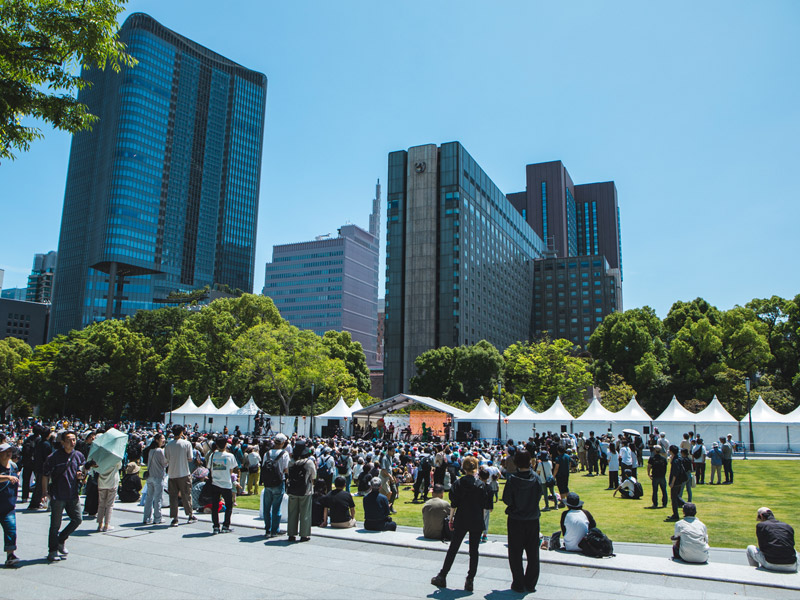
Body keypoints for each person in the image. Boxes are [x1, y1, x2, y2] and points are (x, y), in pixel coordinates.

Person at [431, 456, 487, 592]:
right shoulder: (481, 485)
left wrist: (451, 519)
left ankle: (443, 575)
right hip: (476, 519)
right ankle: (470, 580)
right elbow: (484, 506)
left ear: (464, 468)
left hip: (462, 518)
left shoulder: (458, 483)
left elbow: (454, 505)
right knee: (474, 551)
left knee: (453, 548)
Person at [41, 430, 86, 562]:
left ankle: (61, 539)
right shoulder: (54, 457)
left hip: (73, 494)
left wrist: (81, 476)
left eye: (74, 440)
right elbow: (45, 475)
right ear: (62, 442)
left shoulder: (78, 455)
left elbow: (83, 473)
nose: (72, 442)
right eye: (69, 440)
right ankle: (52, 550)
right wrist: (44, 492)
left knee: (77, 519)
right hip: (58, 494)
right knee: (55, 525)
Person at [502, 449, 542, 594]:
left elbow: (506, 499)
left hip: (516, 519)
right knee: (533, 553)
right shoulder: (536, 478)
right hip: (532, 518)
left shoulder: (512, 480)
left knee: (515, 553)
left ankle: (518, 583)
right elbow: (538, 495)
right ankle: (530, 583)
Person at [746, 507, 798, 572]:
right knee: (794, 550)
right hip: (792, 566)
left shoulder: (761, 526)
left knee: (749, 548)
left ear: (761, 516)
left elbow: (762, 547)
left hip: (771, 564)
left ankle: (755, 573)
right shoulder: (788, 526)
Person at [164, 425, 196, 527]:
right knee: (186, 495)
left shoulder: (168, 445)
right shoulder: (187, 444)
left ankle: (175, 518)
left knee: (173, 497)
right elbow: (190, 458)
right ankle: (190, 515)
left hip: (172, 473)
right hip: (184, 473)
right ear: (181, 432)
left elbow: (166, 459)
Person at [286, 440, 316, 542]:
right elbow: (314, 476)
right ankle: (304, 534)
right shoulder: (308, 462)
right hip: (305, 490)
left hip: (292, 489)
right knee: (305, 513)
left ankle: (291, 534)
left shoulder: (291, 462)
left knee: (292, 513)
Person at [207, 436, 238, 534]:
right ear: (226, 445)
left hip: (215, 483)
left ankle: (216, 526)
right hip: (226, 483)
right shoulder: (230, 456)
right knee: (229, 505)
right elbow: (232, 470)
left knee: (215, 506)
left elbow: (209, 468)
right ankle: (226, 525)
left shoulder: (213, 455)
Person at [261, 433, 290, 538]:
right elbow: (286, 469)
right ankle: (274, 530)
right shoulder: (284, 454)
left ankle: (267, 529)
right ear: (283, 443)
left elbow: (263, 466)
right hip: (279, 481)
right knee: (276, 507)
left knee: (267, 507)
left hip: (268, 482)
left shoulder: (267, 453)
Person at [0, 442, 20, 567]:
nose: (8, 454)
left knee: (11, 529)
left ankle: (10, 555)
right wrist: (7, 477)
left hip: (8, 505)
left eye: (10, 451)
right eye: (5, 452)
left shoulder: (13, 466)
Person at [92, 455, 122, 532]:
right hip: (112, 482)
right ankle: (106, 524)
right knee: (110, 505)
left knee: (101, 504)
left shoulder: (101, 457)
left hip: (102, 482)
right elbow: (119, 466)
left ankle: (100, 524)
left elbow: (96, 468)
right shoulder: (116, 457)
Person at [143, 433, 166, 525]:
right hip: (158, 476)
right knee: (158, 498)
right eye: (162, 438)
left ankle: (147, 517)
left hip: (150, 476)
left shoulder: (150, 450)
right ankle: (157, 517)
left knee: (149, 498)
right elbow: (165, 463)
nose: (164, 440)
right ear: (157, 440)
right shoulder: (160, 451)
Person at [665, 445, 686, 522]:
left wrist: (672, 483)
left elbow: (675, 473)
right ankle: (684, 507)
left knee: (674, 499)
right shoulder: (678, 459)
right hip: (680, 481)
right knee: (676, 497)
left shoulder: (675, 461)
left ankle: (676, 514)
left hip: (676, 482)